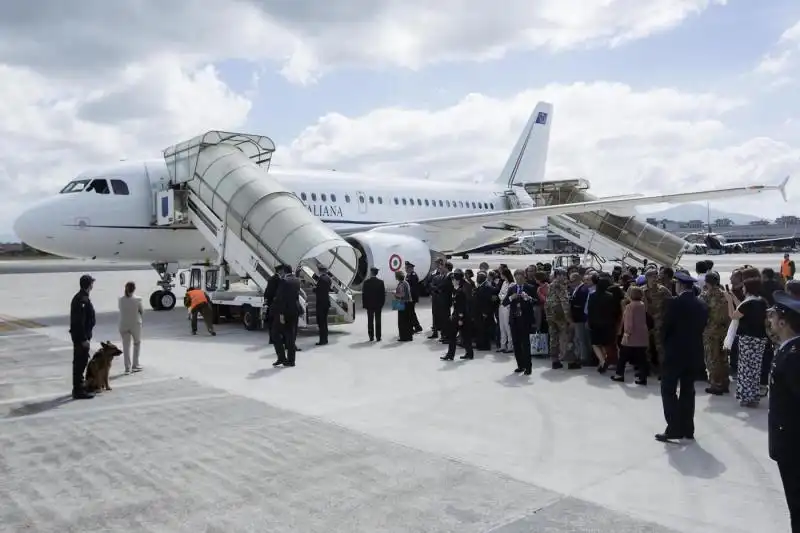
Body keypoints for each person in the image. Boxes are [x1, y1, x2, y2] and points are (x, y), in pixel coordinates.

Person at [656, 271, 708, 442]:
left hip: (674, 353)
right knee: (688, 391)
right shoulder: (701, 304)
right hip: (693, 353)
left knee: (668, 390)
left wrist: (664, 345)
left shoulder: (673, 303)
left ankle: (674, 427)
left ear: (679, 285)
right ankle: (687, 428)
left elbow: (665, 328)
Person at [766, 290, 800, 532]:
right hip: (789, 440)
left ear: (783, 322)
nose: (769, 320)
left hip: (793, 444)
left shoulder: (793, 357)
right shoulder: (789, 349)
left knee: (798, 505)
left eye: (773, 316)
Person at [732, 277, 769, 408]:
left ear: (748, 287)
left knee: (745, 369)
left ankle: (746, 396)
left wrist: (728, 301)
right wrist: (733, 298)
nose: (742, 288)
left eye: (744, 286)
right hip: (760, 339)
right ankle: (753, 396)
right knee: (755, 369)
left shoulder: (748, 303)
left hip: (748, 339)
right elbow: (741, 308)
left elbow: (734, 315)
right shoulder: (761, 301)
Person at [699, 272, 731, 395]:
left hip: (711, 331)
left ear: (707, 282)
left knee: (712, 358)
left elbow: (701, 311)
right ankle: (724, 383)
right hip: (724, 330)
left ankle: (716, 384)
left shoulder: (706, 296)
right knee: (723, 358)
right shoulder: (725, 294)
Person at [502, 269, 537, 375]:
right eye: (517, 278)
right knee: (516, 344)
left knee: (525, 344)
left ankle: (528, 367)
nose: (518, 280)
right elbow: (504, 302)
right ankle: (520, 365)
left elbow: (537, 301)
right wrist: (511, 298)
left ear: (524, 277)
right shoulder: (512, 288)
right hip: (514, 319)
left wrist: (528, 298)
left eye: (520, 277)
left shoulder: (530, 288)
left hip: (525, 320)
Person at [612, 286, 649, 385]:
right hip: (642, 335)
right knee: (642, 358)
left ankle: (619, 374)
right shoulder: (642, 305)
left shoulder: (630, 307)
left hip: (631, 337)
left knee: (623, 357)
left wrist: (627, 334)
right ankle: (642, 377)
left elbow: (629, 323)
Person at [69, 274, 97, 400]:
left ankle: (80, 387)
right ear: (89, 285)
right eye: (92, 283)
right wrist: (84, 338)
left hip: (81, 337)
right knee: (80, 363)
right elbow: (79, 321)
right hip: (81, 338)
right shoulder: (82, 300)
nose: (93, 285)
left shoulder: (82, 297)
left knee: (81, 362)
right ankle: (78, 390)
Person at [271, 265, 301, 367]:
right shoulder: (297, 280)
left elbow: (281, 299)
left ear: (283, 271)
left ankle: (281, 357)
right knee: (290, 336)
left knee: (275, 334)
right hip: (295, 311)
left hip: (285, 312)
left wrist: (281, 314)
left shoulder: (284, 281)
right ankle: (291, 360)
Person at [441, 269, 474, 361]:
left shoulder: (460, 291)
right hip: (461, 316)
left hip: (460, 318)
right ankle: (469, 353)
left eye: (453, 279)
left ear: (457, 280)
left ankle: (450, 355)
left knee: (453, 336)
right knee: (465, 336)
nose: (452, 281)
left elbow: (462, 306)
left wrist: (460, 318)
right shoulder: (458, 290)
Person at [587, 276, 617, 373]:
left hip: (595, 323)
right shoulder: (610, 296)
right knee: (604, 344)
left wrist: (589, 321)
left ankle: (602, 361)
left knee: (595, 344)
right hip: (608, 323)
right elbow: (613, 311)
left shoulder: (592, 296)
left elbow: (590, 310)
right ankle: (603, 362)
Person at [118, 281, 144, 374]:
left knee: (126, 346)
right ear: (134, 289)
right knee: (137, 343)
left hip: (123, 324)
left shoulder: (120, 299)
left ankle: (127, 368)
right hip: (135, 324)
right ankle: (135, 365)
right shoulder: (138, 299)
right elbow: (141, 311)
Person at [362, 267, 385, 341]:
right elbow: (383, 295)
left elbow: (364, 295)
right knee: (378, 321)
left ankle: (371, 336)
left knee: (370, 321)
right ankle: (378, 337)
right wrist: (382, 304)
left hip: (369, 305)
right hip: (378, 305)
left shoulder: (366, 282)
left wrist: (365, 305)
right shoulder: (381, 282)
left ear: (371, 273)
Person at [496, 268, 514, 353]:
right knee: (501, 326)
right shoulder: (504, 283)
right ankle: (502, 345)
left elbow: (507, 295)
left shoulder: (512, 284)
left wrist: (502, 297)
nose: (500, 275)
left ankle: (510, 346)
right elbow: (500, 293)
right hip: (501, 305)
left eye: (502, 274)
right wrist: (502, 297)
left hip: (507, 306)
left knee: (508, 326)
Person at [313, 266, 332, 345]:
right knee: (324, 322)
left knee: (321, 323)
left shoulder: (321, 279)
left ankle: (322, 340)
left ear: (320, 271)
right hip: (326, 302)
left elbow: (318, 290)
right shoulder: (328, 278)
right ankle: (325, 339)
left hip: (321, 303)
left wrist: (314, 288)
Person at [393, 270, 413, 341]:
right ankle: (408, 336)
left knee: (401, 321)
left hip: (402, 303)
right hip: (408, 303)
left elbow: (402, 295)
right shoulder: (406, 282)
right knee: (408, 320)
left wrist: (395, 294)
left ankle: (403, 336)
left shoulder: (401, 284)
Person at [405, 262, 423, 333]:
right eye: (406, 268)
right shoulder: (408, 275)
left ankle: (416, 326)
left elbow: (414, 288)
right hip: (408, 297)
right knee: (410, 312)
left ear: (411, 268)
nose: (406, 269)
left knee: (411, 312)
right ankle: (415, 326)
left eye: (407, 268)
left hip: (412, 297)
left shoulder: (413, 275)